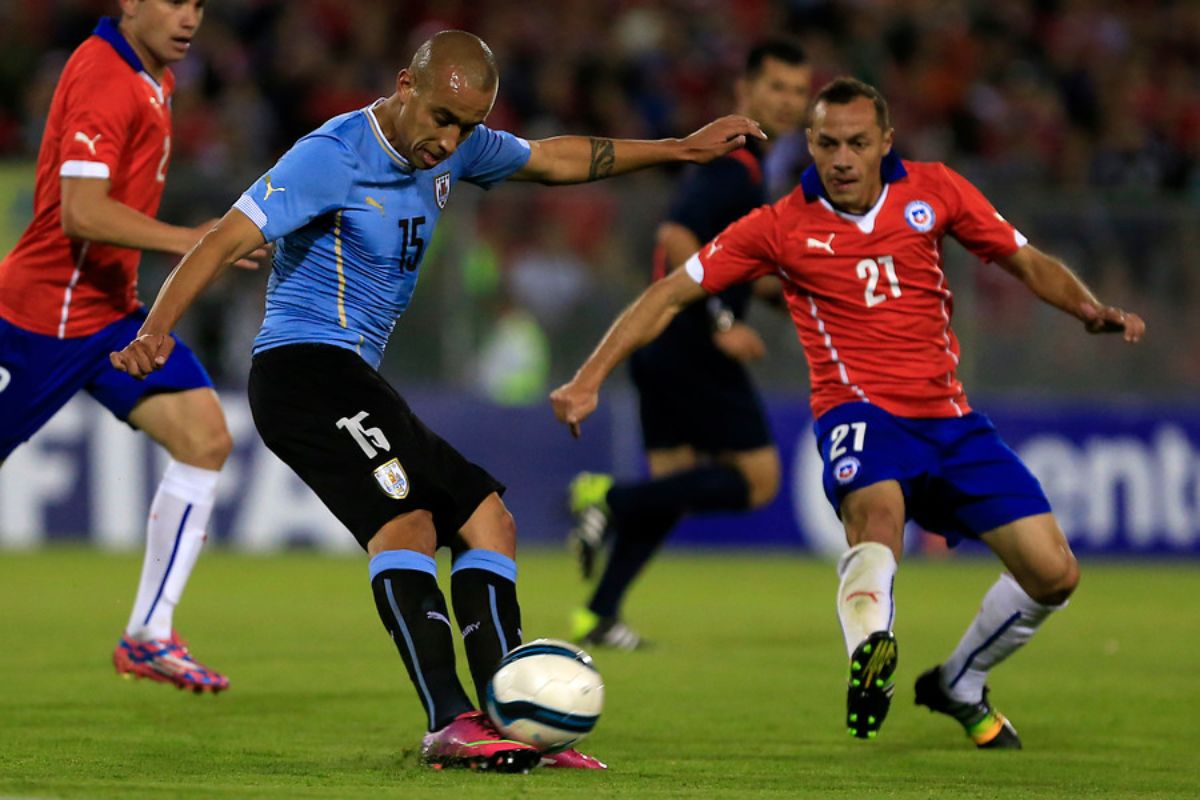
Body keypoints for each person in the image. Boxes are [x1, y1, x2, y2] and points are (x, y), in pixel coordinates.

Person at [110, 30, 764, 771]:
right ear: (405, 86)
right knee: (408, 522)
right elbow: (221, 240)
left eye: (468, 126)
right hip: (303, 372)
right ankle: (450, 721)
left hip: (352, 376)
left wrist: (680, 148)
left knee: (492, 523)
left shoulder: (461, 145)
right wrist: (155, 332)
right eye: (443, 119)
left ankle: (510, 720)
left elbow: (554, 158)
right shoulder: (332, 155)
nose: (450, 140)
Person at [550, 77, 1145, 749]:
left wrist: (1089, 309)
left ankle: (959, 681)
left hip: (950, 420)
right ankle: (872, 653)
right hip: (858, 413)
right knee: (878, 515)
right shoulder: (778, 226)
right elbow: (666, 294)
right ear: (810, 143)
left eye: (857, 143)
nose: (841, 158)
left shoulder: (935, 190)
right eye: (828, 142)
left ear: (884, 142)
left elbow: (1024, 259)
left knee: (1054, 572)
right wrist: (588, 377)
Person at [0, 0, 264, 694]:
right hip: (40, 321)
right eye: (173, 1)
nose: (189, 18)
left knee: (206, 439)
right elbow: (80, 213)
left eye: (199, 5)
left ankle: (150, 634)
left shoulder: (156, 74)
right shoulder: (105, 76)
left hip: (109, 315)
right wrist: (200, 243)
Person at [565, 39, 812, 650]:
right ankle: (609, 497)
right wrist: (725, 324)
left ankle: (598, 612)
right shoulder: (737, 168)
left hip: (661, 346)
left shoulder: (745, 172)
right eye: (776, 87)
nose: (788, 101)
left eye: (798, 91)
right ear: (743, 93)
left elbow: (715, 256)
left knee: (671, 487)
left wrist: (768, 295)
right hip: (689, 340)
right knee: (757, 480)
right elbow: (678, 239)